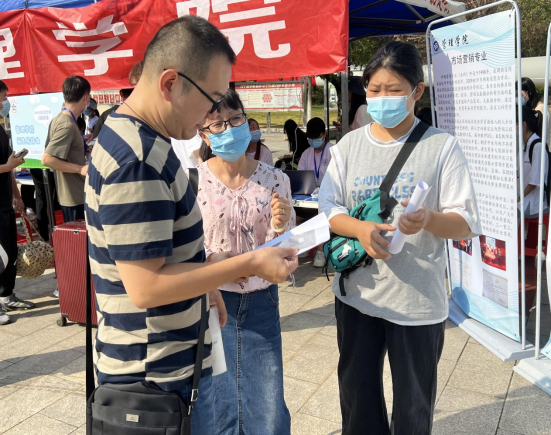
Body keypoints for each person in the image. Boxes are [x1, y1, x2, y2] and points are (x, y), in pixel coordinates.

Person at [85, 16, 298, 434]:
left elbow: (157, 255)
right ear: (170, 83)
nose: (210, 115)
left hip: (162, 365)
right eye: (210, 99)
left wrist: (205, 276)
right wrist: (247, 263)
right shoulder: (139, 158)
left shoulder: (139, 138)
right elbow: (146, 286)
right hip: (154, 377)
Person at [319, 41, 481, 435]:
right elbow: (328, 207)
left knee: (413, 409)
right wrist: (359, 229)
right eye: (374, 89)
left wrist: (428, 219)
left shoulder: (441, 147)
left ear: (417, 91)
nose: (382, 98)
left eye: (393, 90)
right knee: (357, 402)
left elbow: (465, 222)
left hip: (417, 301)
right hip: (358, 297)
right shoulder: (348, 147)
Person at [196, 89, 294, 434]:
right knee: (218, 402)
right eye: (217, 124)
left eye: (236, 119)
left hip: (261, 302)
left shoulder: (275, 179)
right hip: (212, 303)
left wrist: (281, 226)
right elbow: (186, 249)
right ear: (204, 134)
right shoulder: (193, 181)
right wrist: (212, 263)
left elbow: (288, 251)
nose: (229, 129)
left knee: (267, 405)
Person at [0, 81, 36, 325]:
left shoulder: (1, 129)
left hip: (5, 201)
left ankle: (7, 295)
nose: (5, 102)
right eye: (3, 97)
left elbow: (8, 165)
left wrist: (17, 195)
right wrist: (7, 166)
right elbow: (6, 166)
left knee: (10, 251)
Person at [42, 76, 90, 223]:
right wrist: (80, 169)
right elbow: (47, 159)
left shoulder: (59, 119)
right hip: (74, 195)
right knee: (79, 237)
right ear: (86, 97)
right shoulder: (66, 125)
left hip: (73, 193)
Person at [299, 117, 333, 267]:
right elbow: (301, 176)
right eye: (310, 138)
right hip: (309, 197)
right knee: (293, 214)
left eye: (316, 138)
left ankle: (320, 252)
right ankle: (303, 245)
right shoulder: (306, 154)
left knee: (323, 214)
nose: (313, 141)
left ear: (324, 134)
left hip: (328, 197)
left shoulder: (333, 151)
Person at [518, 106, 548, 218]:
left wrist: (518, 198)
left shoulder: (537, 146)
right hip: (522, 199)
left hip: (531, 204)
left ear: (523, 125)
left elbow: (534, 182)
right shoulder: (524, 144)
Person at [521, 77, 550, 147]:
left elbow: (536, 133)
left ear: (529, 92)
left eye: (520, 94)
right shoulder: (535, 107)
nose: (517, 98)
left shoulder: (540, 109)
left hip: (539, 149)